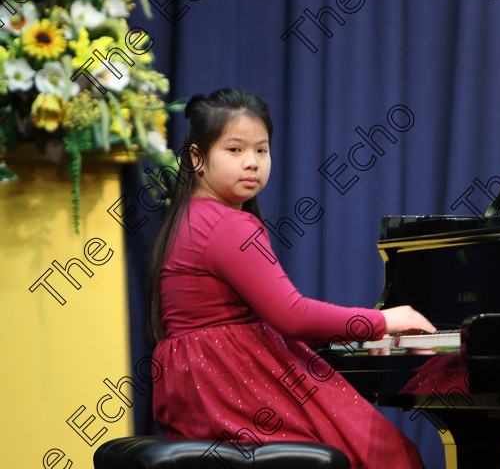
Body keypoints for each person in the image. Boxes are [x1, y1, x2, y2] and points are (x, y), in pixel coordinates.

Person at [147, 88, 435, 468]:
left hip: (203, 389)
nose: (251, 162)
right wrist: (383, 320)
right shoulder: (229, 225)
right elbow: (293, 316)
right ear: (197, 158)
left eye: (261, 150)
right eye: (234, 150)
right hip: (233, 387)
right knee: (389, 452)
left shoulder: (188, 218)